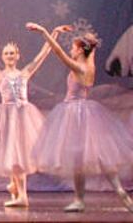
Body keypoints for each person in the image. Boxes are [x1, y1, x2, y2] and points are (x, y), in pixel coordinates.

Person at [0, 22, 68, 207]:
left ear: (18, 56)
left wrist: (53, 33)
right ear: (2, 56)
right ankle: (15, 189)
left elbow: (44, 53)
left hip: (23, 116)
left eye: (12, 53)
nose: (9, 56)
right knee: (10, 154)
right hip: (6, 117)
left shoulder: (25, 73)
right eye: (6, 53)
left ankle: (22, 195)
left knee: (19, 155)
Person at [26, 22, 133, 212]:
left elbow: (58, 52)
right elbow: (89, 47)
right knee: (95, 157)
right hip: (83, 112)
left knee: (81, 159)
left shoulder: (80, 68)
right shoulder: (89, 65)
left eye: (74, 48)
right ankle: (101, 194)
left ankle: (82, 198)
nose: (71, 50)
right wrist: (85, 41)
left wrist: (44, 32)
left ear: (80, 51)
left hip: (75, 113)